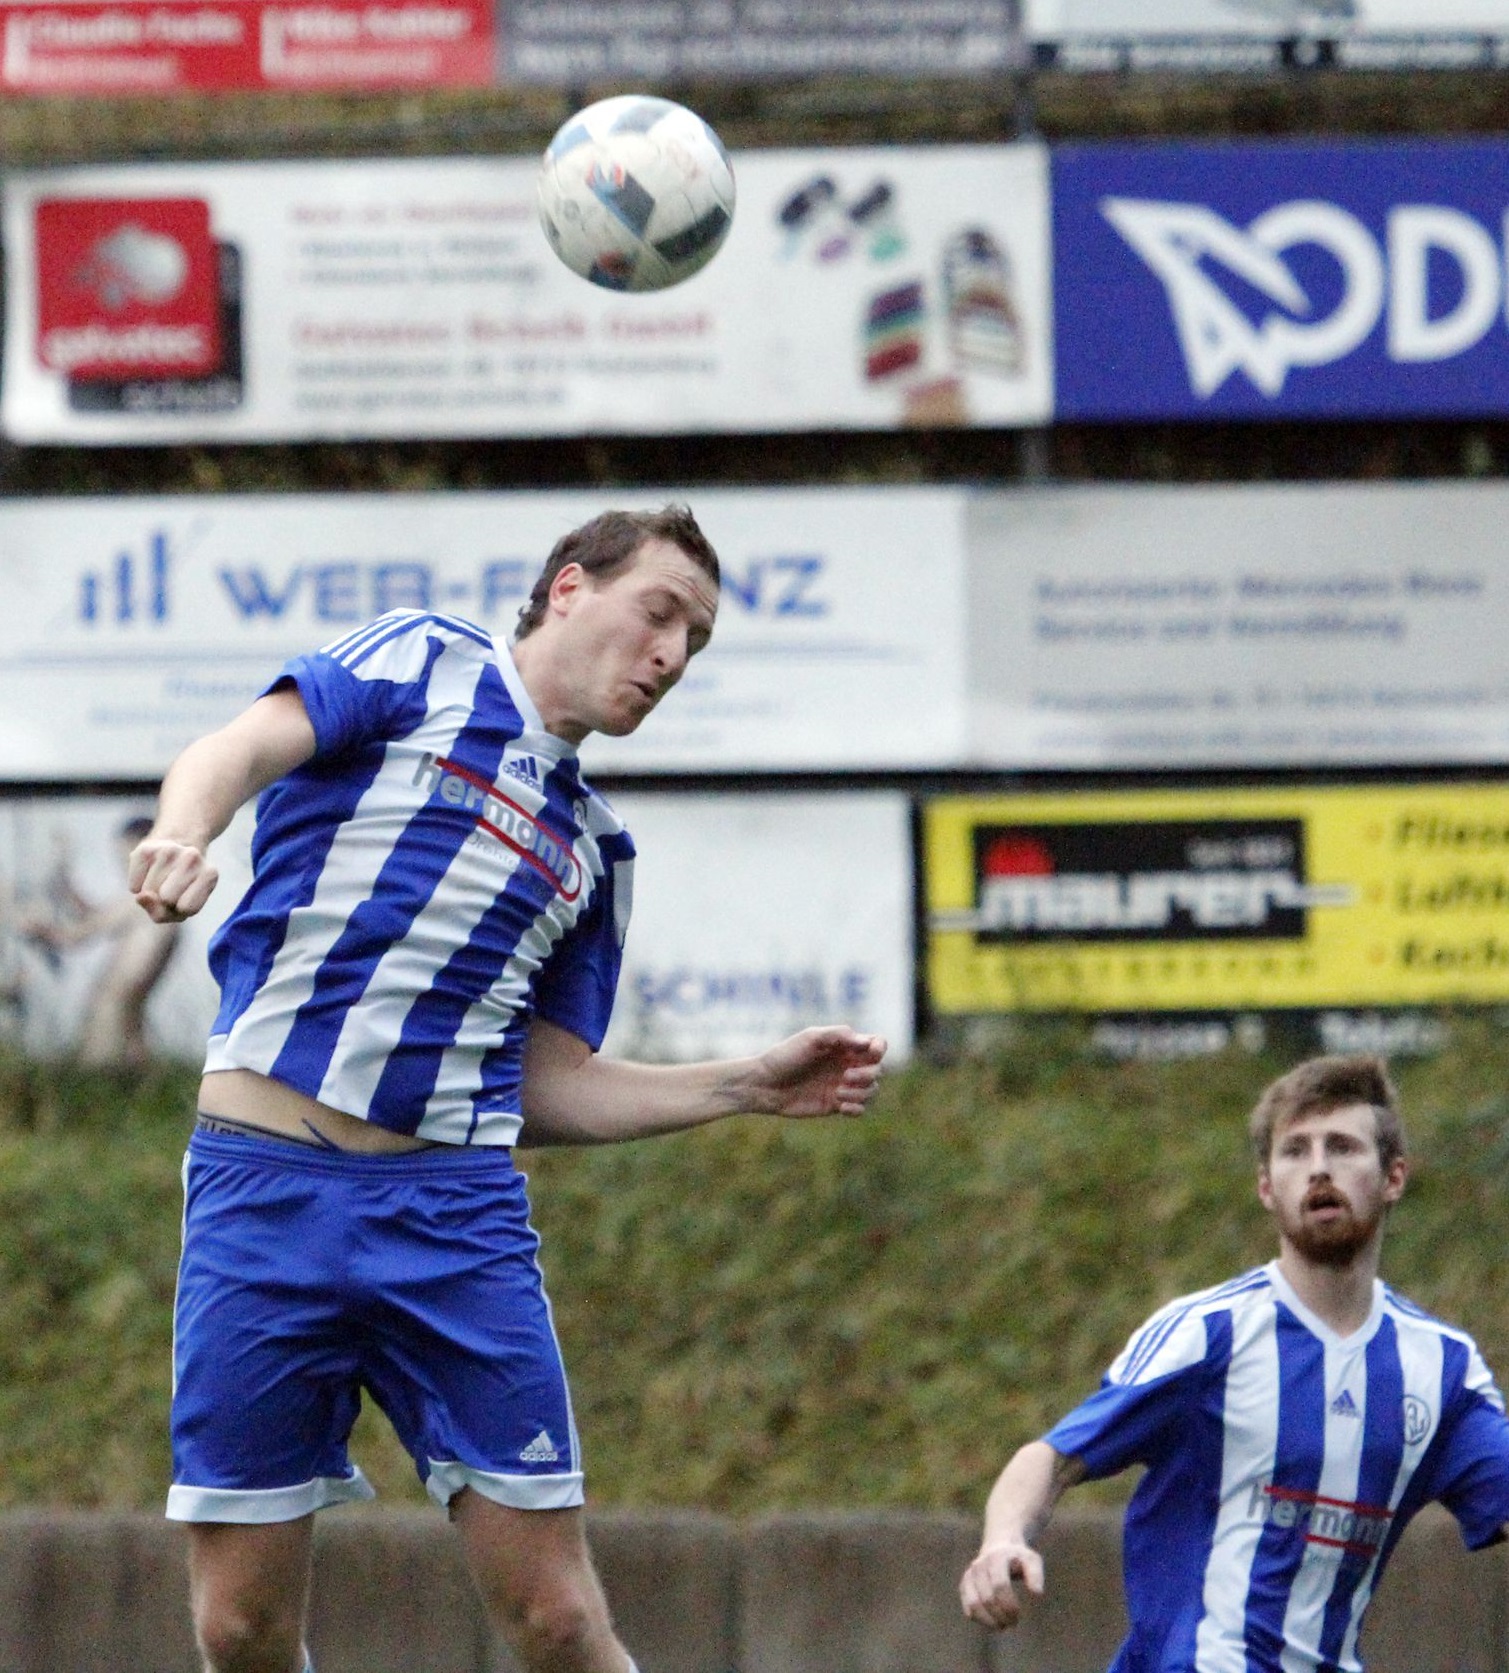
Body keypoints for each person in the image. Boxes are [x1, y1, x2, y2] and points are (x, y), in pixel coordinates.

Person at [128, 504, 887, 1673]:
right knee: (240, 1626)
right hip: (261, 1190)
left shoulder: (591, 846)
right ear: (570, 588)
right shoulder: (423, 659)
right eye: (660, 613)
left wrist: (745, 1082)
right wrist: (184, 832)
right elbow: (233, 749)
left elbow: (548, 1088)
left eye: (696, 641)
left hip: (453, 1218)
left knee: (561, 1619)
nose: (673, 656)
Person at [959, 1054, 1509, 1673]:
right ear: (1267, 1188)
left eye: (1344, 1147)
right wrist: (1004, 1539)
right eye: (1295, 1150)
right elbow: (1052, 1457)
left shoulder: (1441, 1367)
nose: (1319, 1167)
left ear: (1394, 1177)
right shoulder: (1208, 1333)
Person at [22, 814, 181, 1068]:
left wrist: (36, 929)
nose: (123, 865)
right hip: (127, 1016)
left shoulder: (146, 901)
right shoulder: (162, 903)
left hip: (112, 1015)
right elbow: (98, 916)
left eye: (127, 856)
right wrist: (65, 882)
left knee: (95, 1086)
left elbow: (75, 936)